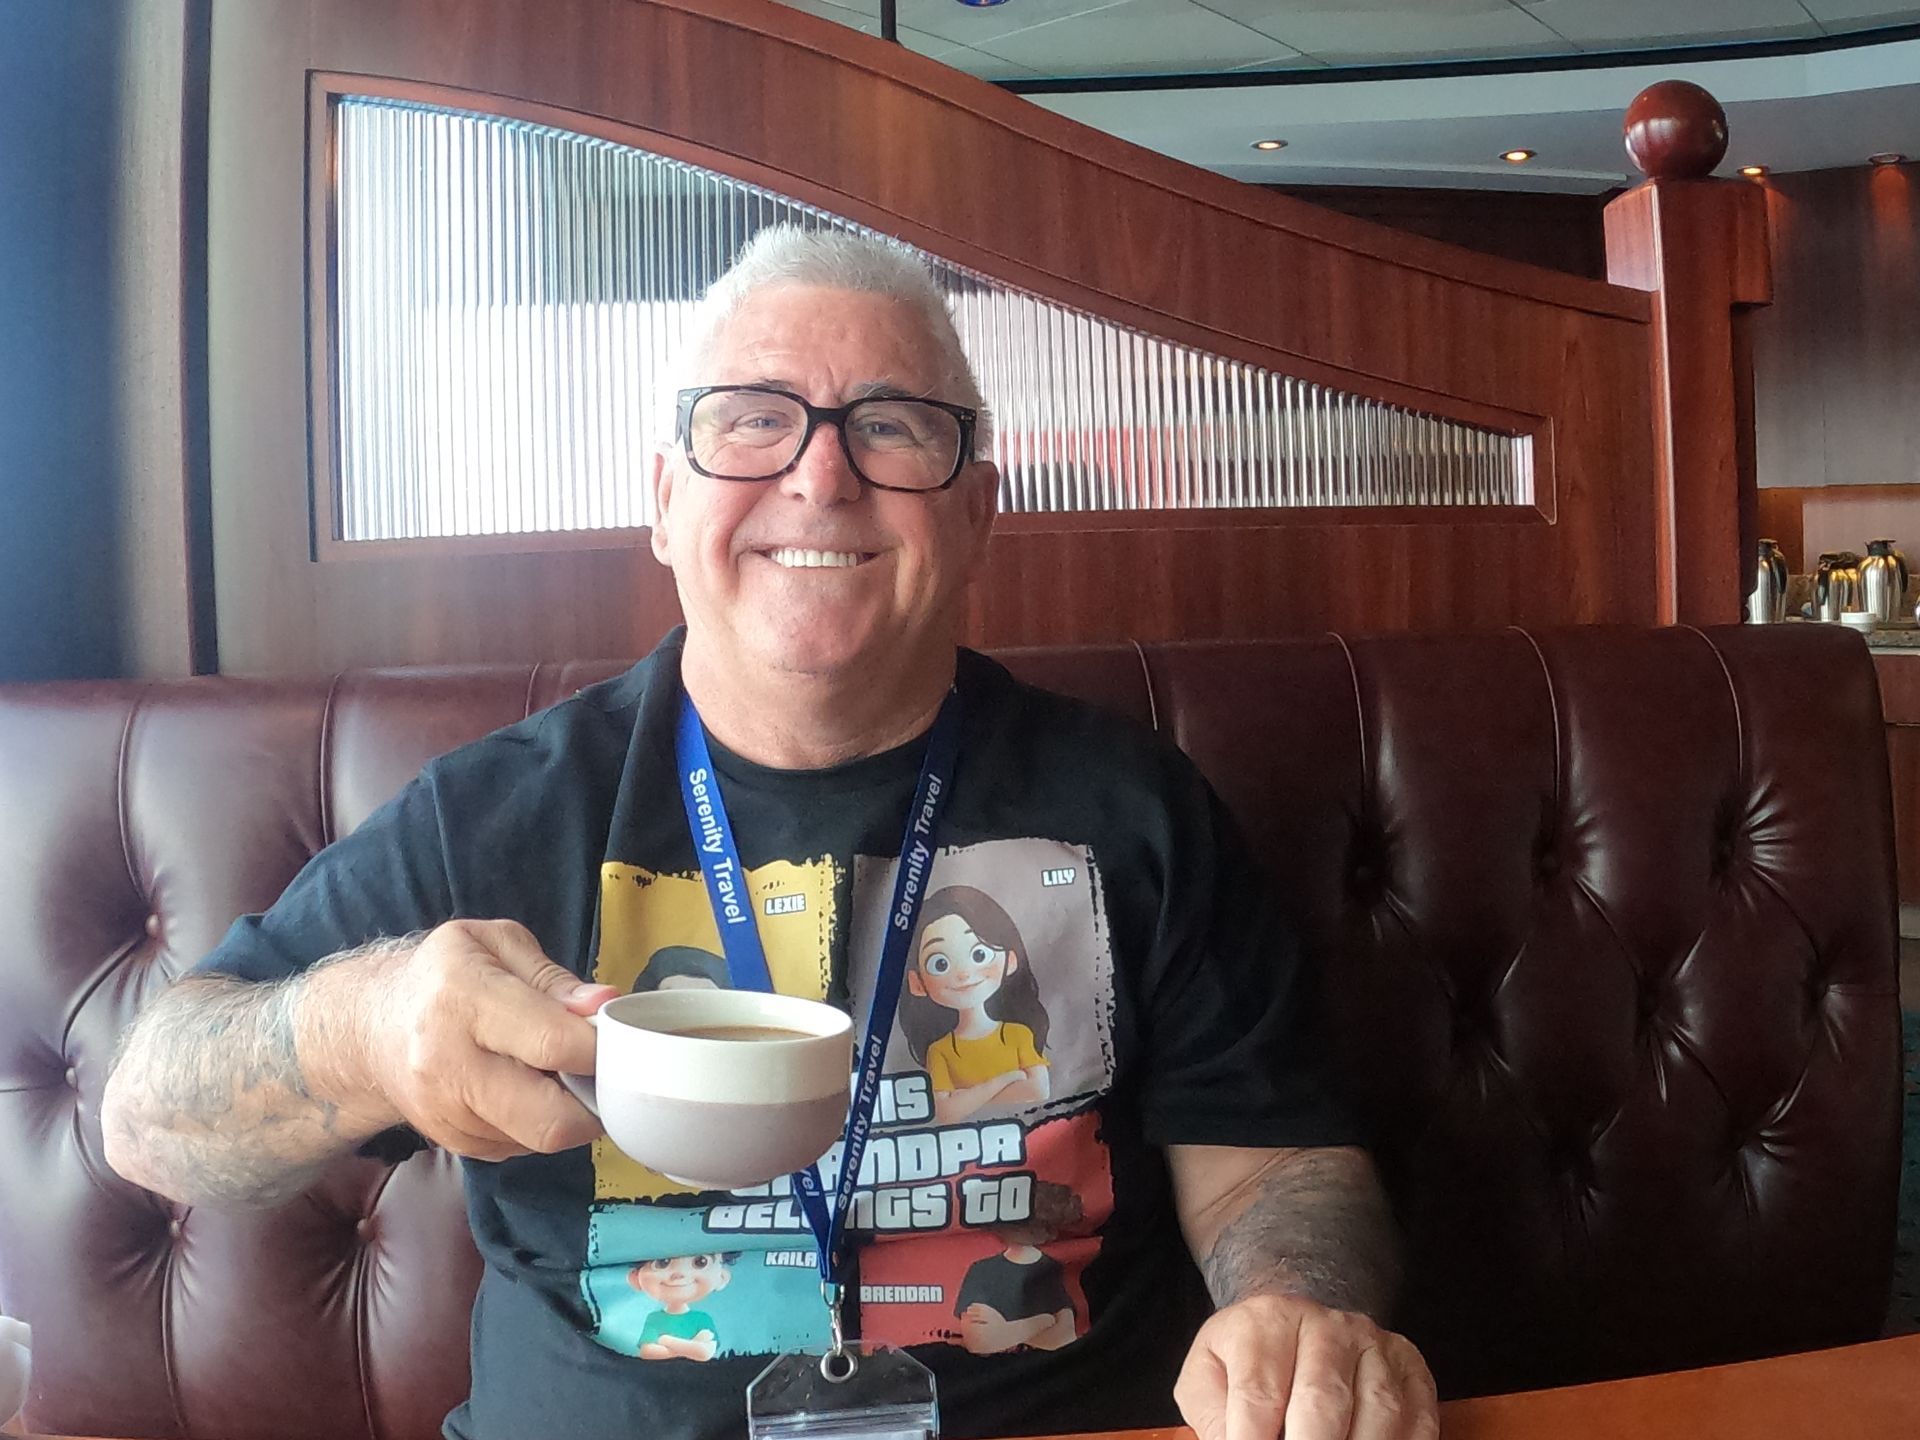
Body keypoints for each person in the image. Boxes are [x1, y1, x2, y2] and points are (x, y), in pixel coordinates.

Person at [100, 224, 1438, 1440]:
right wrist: (365, 1027)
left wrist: (1301, 1313)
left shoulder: (1133, 807)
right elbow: (151, 1117)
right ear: (667, 501)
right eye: (753, 421)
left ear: (979, 513)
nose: (821, 473)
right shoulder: (500, 816)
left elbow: (1278, 1167)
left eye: (895, 427)